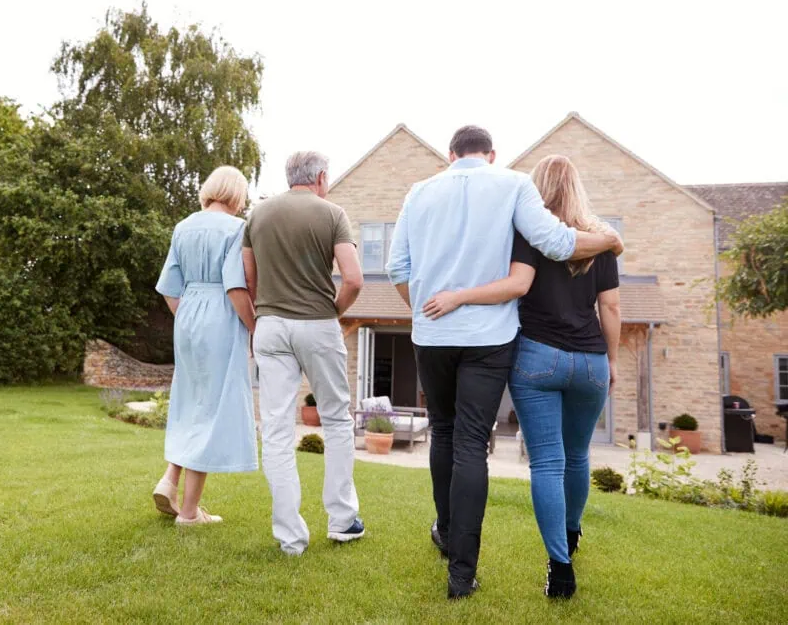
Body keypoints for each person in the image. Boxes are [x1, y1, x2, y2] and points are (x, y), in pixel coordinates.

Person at [386, 126, 623, 599]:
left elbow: (397, 269)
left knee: (443, 431)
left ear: (450, 154)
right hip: (490, 339)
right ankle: (461, 574)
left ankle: (447, 533)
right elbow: (557, 244)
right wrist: (610, 240)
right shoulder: (514, 184)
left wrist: (427, 309)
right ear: (491, 155)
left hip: (433, 333)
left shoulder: (418, 192)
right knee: (472, 443)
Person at [243, 151, 365, 556]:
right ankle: (343, 520)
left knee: (276, 430)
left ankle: (290, 538)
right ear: (322, 177)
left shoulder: (258, 216)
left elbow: (249, 276)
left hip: (271, 326)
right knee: (336, 419)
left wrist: (267, 312)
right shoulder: (332, 214)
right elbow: (353, 279)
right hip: (317, 323)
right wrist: (332, 311)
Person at [152, 165, 258, 526]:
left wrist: (188, 316)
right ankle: (189, 512)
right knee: (211, 409)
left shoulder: (183, 227)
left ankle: (169, 480)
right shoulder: (237, 229)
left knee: (189, 400)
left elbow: (169, 287)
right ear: (236, 193)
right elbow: (236, 286)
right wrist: (254, 327)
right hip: (221, 314)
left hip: (187, 314)